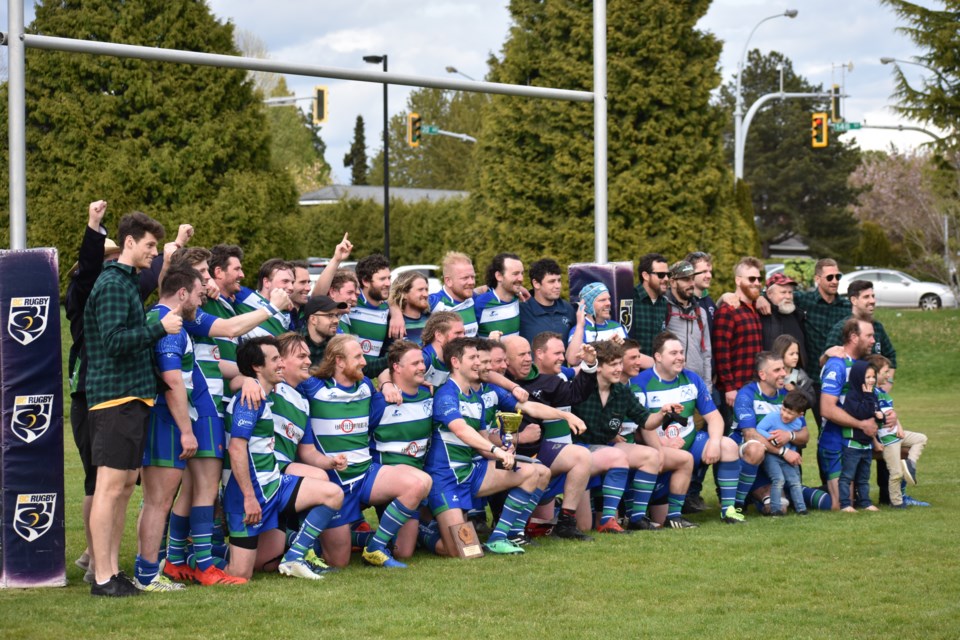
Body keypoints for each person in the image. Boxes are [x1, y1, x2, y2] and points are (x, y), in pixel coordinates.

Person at [84, 211, 179, 597]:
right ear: (129, 243)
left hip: (133, 396)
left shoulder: (124, 283)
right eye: (150, 246)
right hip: (113, 398)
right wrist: (159, 327)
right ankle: (103, 577)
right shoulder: (110, 283)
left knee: (123, 487)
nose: (154, 254)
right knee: (110, 487)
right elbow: (113, 341)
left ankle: (112, 571)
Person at [298, 334, 432, 568]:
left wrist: (388, 382)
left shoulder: (366, 387)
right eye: (358, 356)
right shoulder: (313, 387)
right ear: (339, 361)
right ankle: (307, 540)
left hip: (366, 475)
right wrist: (248, 381)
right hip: (335, 482)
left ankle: (376, 546)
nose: (363, 361)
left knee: (419, 483)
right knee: (338, 562)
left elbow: (385, 374)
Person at [222, 337, 344, 581]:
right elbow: (236, 449)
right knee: (239, 575)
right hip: (251, 496)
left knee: (332, 494)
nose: (281, 364)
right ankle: (192, 559)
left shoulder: (266, 397)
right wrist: (248, 498)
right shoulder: (250, 399)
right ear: (257, 367)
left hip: (274, 485)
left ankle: (294, 558)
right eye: (275, 359)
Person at [422, 337, 555, 555]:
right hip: (446, 478)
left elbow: (482, 441)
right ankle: (422, 530)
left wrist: (505, 452)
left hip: (472, 472)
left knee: (531, 471)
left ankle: (499, 537)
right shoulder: (446, 393)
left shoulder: (476, 397)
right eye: (473, 357)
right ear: (456, 362)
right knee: (467, 551)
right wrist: (497, 451)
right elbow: (461, 430)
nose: (480, 363)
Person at [631, 332, 744, 524]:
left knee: (728, 446)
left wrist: (715, 442)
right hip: (657, 447)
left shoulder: (692, 379)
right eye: (673, 353)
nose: (680, 357)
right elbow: (640, 428)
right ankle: (667, 515)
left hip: (690, 442)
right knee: (659, 513)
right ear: (658, 357)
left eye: (681, 352)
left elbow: (715, 417)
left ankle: (729, 510)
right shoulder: (640, 383)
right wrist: (661, 446)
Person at [65, 200, 121, 584]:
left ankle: (97, 557)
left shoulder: (118, 289)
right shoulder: (83, 294)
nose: (112, 264)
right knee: (95, 479)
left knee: (114, 479)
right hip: (88, 394)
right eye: (107, 258)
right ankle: (95, 559)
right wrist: (93, 225)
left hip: (114, 394)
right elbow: (87, 271)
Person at [502, 333, 605, 540]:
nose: (527, 359)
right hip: (499, 453)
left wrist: (590, 365)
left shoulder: (549, 381)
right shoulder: (496, 381)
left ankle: (565, 521)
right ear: (505, 360)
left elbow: (576, 394)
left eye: (527, 354)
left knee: (582, 456)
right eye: (521, 355)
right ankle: (503, 526)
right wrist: (520, 437)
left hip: (538, 453)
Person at [572, 339, 682, 531]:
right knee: (583, 526)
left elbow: (646, 421)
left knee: (651, 456)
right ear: (598, 367)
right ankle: (600, 518)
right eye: (613, 365)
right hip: (578, 450)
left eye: (619, 364)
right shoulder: (581, 387)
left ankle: (635, 517)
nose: (618, 369)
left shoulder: (622, 392)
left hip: (606, 448)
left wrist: (663, 413)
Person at [368, 340, 435, 558]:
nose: (422, 367)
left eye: (422, 362)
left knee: (404, 552)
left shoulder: (429, 396)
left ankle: (427, 532)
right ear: (396, 368)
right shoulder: (381, 402)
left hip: (416, 484)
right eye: (415, 363)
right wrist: (386, 384)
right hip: (383, 479)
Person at [819, 319, 893, 510]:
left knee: (903, 446)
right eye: (869, 336)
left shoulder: (862, 365)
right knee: (840, 504)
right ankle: (800, 492)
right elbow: (826, 409)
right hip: (834, 439)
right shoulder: (837, 365)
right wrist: (861, 425)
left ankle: (899, 495)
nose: (873, 341)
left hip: (861, 438)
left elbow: (875, 398)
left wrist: (888, 416)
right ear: (853, 337)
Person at [867, 354, 929, 509]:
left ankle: (911, 464)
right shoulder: (870, 395)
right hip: (888, 440)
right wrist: (875, 442)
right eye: (885, 372)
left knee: (921, 438)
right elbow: (871, 418)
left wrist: (899, 427)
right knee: (896, 473)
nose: (889, 375)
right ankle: (897, 502)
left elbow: (891, 413)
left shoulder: (883, 393)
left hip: (896, 434)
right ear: (875, 373)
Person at [713, 257, 764, 419]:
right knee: (732, 439)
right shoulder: (728, 310)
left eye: (759, 278)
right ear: (738, 280)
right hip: (734, 391)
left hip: (754, 386)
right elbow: (721, 352)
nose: (756, 282)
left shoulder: (755, 309)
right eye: (751, 278)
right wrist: (729, 388)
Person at [754, 390, 811, 516]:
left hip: (788, 458)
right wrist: (771, 438)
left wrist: (793, 451)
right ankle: (776, 509)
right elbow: (759, 429)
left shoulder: (798, 423)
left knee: (795, 481)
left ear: (800, 415)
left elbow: (800, 439)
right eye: (784, 409)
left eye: (790, 413)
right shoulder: (773, 417)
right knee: (778, 479)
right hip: (772, 456)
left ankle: (801, 509)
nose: (785, 414)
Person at [838, 360, 883, 513]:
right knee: (847, 476)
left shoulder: (872, 395)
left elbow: (876, 415)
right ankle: (845, 504)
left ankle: (865, 502)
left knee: (864, 477)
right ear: (858, 377)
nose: (871, 380)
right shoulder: (852, 396)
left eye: (873, 377)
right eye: (867, 377)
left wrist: (881, 416)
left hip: (867, 444)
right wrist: (869, 398)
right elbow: (862, 413)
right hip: (853, 444)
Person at [824, 279, 897, 370]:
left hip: (874, 383)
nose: (872, 301)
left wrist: (887, 382)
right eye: (866, 297)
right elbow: (828, 360)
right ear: (854, 300)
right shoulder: (841, 328)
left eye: (873, 296)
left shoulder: (877, 326)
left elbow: (891, 356)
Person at [663, 260, 712, 387]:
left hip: (696, 384)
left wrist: (707, 387)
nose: (691, 284)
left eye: (692, 279)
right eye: (686, 279)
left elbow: (706, 353)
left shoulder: (700, 312)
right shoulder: (663, 308)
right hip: (670, 384)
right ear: (672, 282)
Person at [340, 253, 392, 362]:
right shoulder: (350, 304)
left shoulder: (388, 309)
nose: (388, 283)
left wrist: (396, 313)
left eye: (389, 278)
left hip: (373, 376)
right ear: (365, 281)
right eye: (382, 279)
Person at [518, 258, 578, 348]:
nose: (558, 286)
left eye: (559, 280)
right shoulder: (522, 312)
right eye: (552, 281)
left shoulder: (568, 309)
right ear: (536, 283)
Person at [566, 282, 628, 365]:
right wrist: (607, 346)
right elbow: (573, 360)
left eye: (608, 299)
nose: (608, 303)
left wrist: (620, 348)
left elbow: (631, 358)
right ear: (587, 306)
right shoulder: (579, 330)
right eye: (602, 300)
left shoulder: (617, 326)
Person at [428, 251, 478, 336]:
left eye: (473, 277)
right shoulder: (434, 302)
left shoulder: (475, 299)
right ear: (448, 281)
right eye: (465, 278)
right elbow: (402, 302)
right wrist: (397, 313)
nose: (471, 282)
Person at [475, 253, 524, 338]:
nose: (521, 278)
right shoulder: (481, 303)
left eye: (522, 273)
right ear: (499, 276)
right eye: (515, 274)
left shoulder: (520, 299)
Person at [760, 272, 807, 361]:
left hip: (796, 373)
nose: (788, 296)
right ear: (769, 294)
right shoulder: (760, 314)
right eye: (783, 292)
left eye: (790, 292)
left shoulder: (797, 315)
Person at [630, 252, 669, 357]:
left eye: (668, 275)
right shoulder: (629, 299)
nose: (666, 279)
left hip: (655, 370)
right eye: (661, 275)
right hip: (631, 369)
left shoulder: (664, 304)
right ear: (645, 276)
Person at [300, 295, 350, 366]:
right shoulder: (295, 345)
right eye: (330, 315)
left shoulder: (338, 347)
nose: (336, 320)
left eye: (337, 315)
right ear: (313, 319)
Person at [420, 311, 466, 387]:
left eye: (464, 333)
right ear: (439, 335)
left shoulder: (456, 359)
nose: (463, 337)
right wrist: (392, 386)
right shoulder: (424, 358)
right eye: (458, 333)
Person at [388, 271, 430, 345]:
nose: (425, 294)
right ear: (404, 294)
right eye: (420, 290)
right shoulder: (391, 323)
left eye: (426, 289)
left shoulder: (431, 319)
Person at [772, 334, 814, 407]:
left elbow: (811, 401)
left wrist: (796, 389)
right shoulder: (770, 374)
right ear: (780, 353)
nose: (796, 357)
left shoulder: (801, 376)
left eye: (797, 353)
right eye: (791, 354)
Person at [684, 251, 717, 335]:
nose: (709, 276)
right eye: (704, 271)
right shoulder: (683, 302)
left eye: (710, 271)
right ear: (690, 273)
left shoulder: (710, 302)